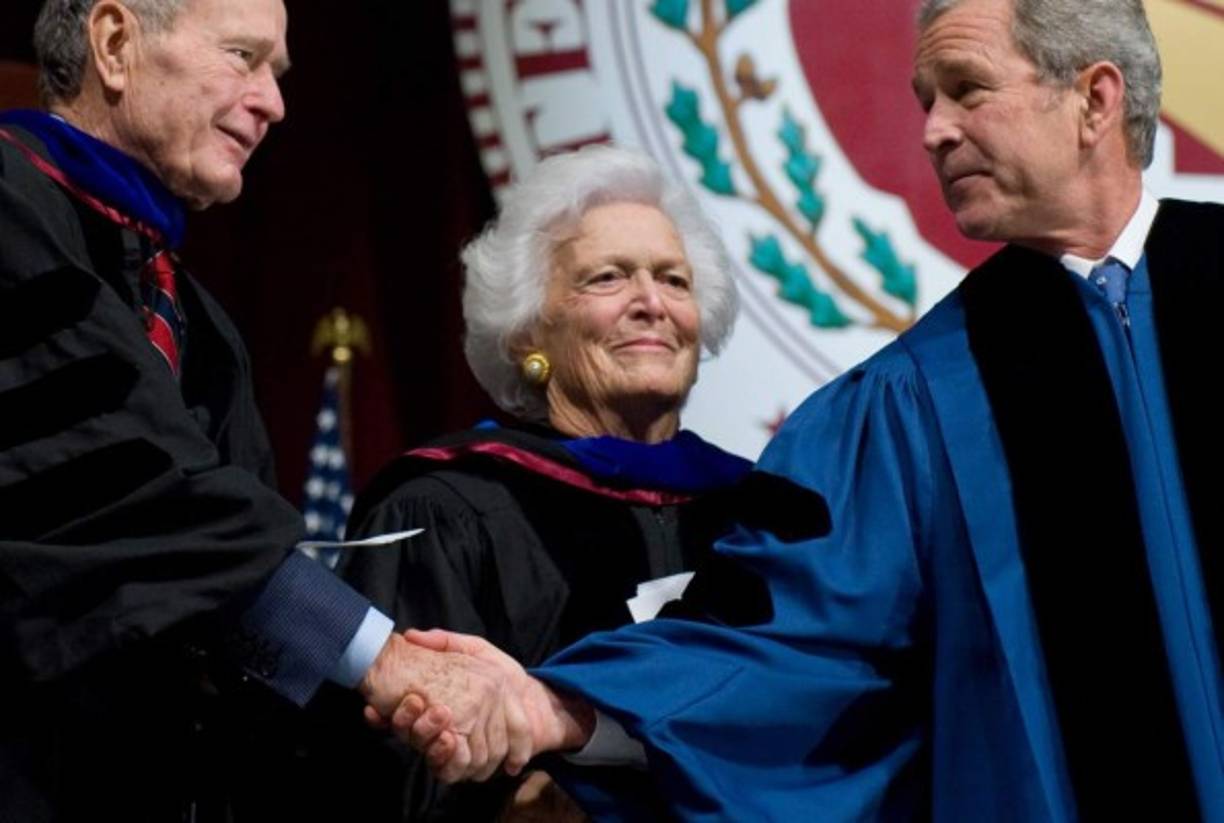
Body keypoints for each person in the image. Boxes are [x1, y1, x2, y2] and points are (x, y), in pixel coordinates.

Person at [382, 0, 1224, 819]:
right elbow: (779, 641)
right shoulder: (919, 396)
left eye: (967, 89)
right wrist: (555, 707)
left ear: (1096, 98)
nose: (934, 130)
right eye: (926, 101)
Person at [0, 1, 488, 819]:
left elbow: (220, 607)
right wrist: (379, 653)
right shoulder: (11, 212)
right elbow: (128, 483)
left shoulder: (198, 319)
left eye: (280, 73)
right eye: (243, 56)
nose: (275, 101)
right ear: (116, 44)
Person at [329, 145, 821, 820]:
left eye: (675, 281)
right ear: (528, 327)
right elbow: (377, 769)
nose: (651, 302)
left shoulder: (765, 519)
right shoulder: (445, 510)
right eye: (608, 278)